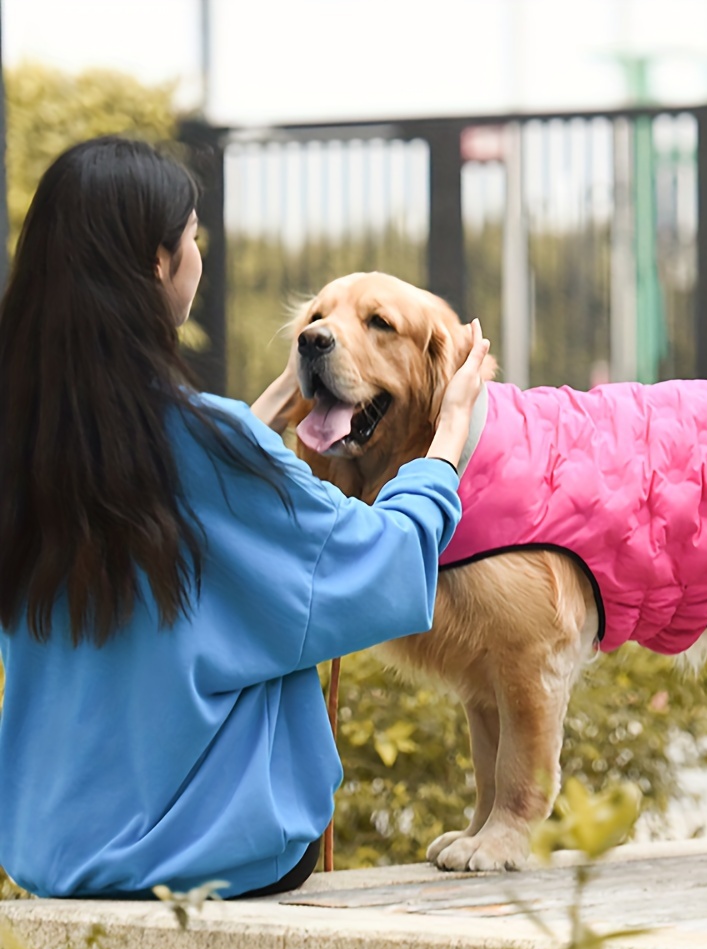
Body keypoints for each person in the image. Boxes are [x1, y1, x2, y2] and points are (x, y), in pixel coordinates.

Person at [0, 135, 491, 900]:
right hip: (216, 856)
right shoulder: (206, 445)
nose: (198, 256)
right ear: (160, 265)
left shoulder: (27, 442)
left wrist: (259, 418)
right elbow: (378, 560)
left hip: (49, 855)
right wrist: (449, 434)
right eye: (193, 238)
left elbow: (179, 481)